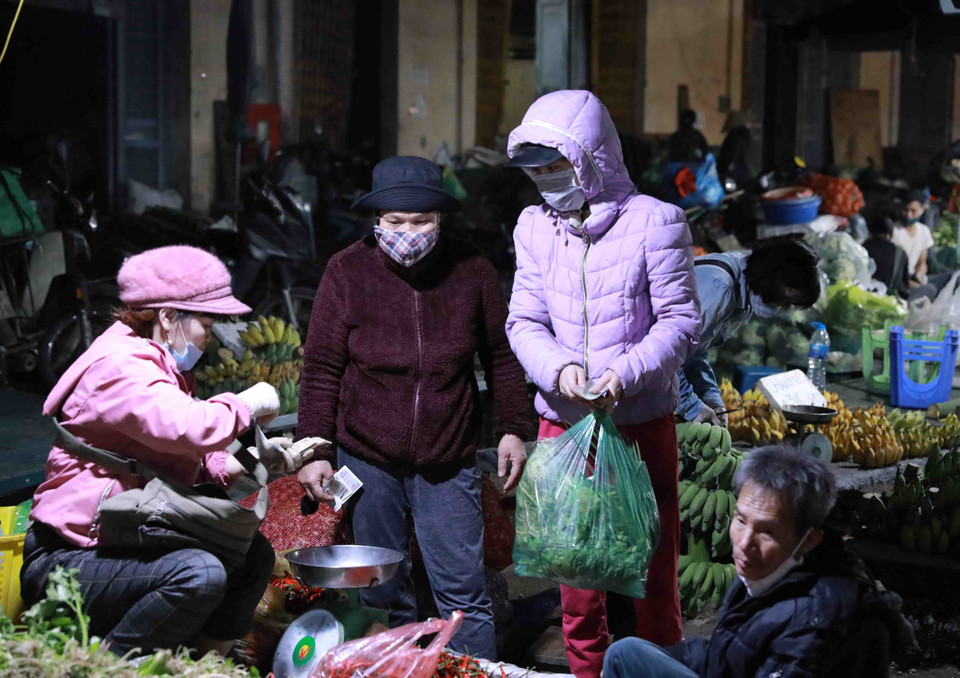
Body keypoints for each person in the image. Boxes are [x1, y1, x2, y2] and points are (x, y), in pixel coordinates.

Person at [295, 156, 531, 661]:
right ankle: (393, 670)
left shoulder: (472, 270)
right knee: (381, 592)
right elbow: (320, 367)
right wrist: (315, 447)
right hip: (367, 457)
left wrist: (514, 427)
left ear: (440, 221)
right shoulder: (346, 271)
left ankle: (471, 672)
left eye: (421, 221)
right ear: (376, 221)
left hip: (448, 460)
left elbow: (503, 355)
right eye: (396, 222)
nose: (409, 232)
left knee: (464, 597)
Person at [19, 246, 307, 657]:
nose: (209, 339)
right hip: (67, 560)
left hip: (122, 538)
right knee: (199, 574)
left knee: (253, 556)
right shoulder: (121, 365)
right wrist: (246, 403)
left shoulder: (160, 366)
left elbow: (189, 462)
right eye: (206, 326)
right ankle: (106, 666)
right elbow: (186, 428)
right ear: (169, 317)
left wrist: (253, 461)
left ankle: (210, 664)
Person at [505, 90, 701, 677]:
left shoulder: (657, 222)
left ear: (590, 158)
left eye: (554, 168)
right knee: (576, 576)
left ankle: (662, 666)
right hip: (564, 423)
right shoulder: (535, 228)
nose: (545, 183)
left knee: (652, 570)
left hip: (638, 423)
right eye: (535, 172)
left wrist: (624, 373)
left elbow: (680, 321)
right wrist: (560, 371)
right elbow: (524, 320)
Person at [603, 446, 913, 678]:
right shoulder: (767, 568)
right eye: (740, 520)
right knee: (627, 653)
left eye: (767, 531)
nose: (744, 542)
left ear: (811, 539)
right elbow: (728, 652)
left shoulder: (819, 620)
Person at [677, 240, 821, 426]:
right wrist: (691, 406)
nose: (782, 306)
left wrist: (711, 396)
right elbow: (667, 356)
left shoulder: (742, 286)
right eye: (787, 296)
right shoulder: (719, 286)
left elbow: (695, 350)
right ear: (774, 277)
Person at [864, 214, 938, 301]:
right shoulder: (899, 252)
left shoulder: (862, 249)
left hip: (865, 294)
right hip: (890, 299)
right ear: (891, 235)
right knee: (931, 289)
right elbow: (902, 286)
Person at [893, 189, 952, 294]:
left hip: (913, 277)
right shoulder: (895, 231)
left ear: (922, 210)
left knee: (953, 277)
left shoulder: (923, 231)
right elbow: (893, 271)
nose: (908, 215)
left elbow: (922, 262)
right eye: (906, 210)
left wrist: (920, 274)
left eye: (913, 211)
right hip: (899, 281)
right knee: (930, 290)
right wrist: (911, 284)